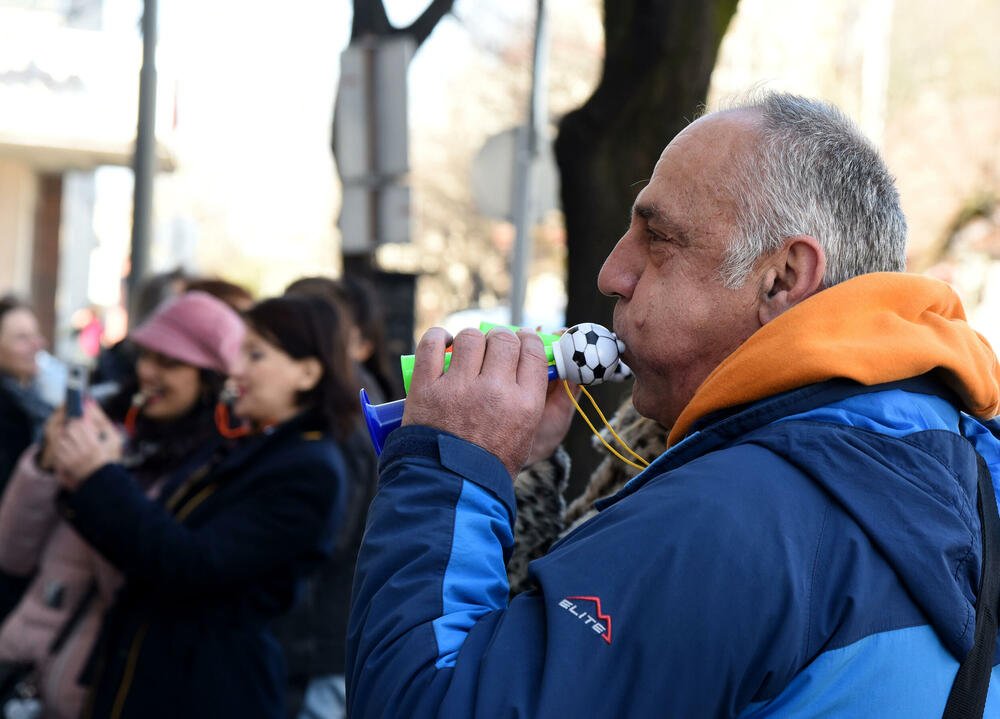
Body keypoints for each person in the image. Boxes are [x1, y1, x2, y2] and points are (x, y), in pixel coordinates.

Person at [346, 91, 1000, 717]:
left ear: (782, 277)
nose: (611, 274)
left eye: (658, 239)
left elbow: (423, 702)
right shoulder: (954, 459)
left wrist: (451, 464)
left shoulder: (739, 514)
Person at [50, 295, 353, 719]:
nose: (236, 368)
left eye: (255, 354)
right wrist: (83, 475)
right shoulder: (257, 445)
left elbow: (189, 563)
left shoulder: (308, 468)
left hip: (204, 690)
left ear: (307, 372)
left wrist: (101, 477)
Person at [0, 291, 242, 719]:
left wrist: (103, 481)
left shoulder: (211, 466)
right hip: (24, 664)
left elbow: (143, 583)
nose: (149, 373)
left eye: (170, 364)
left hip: (105, 682)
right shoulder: (106, 420)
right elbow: (12, 553)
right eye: (146, 357)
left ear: (210, 377)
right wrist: (43, 463)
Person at [276, 279, 379, 719]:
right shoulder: (343, 403)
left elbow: (330, 536)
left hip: (319, 647)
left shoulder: (344, 415)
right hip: (317, 642)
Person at [0, 295, 50, 495]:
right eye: (22, 338)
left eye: (36, 335)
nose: (37, 344)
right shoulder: (7, 414)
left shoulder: (36, 398)